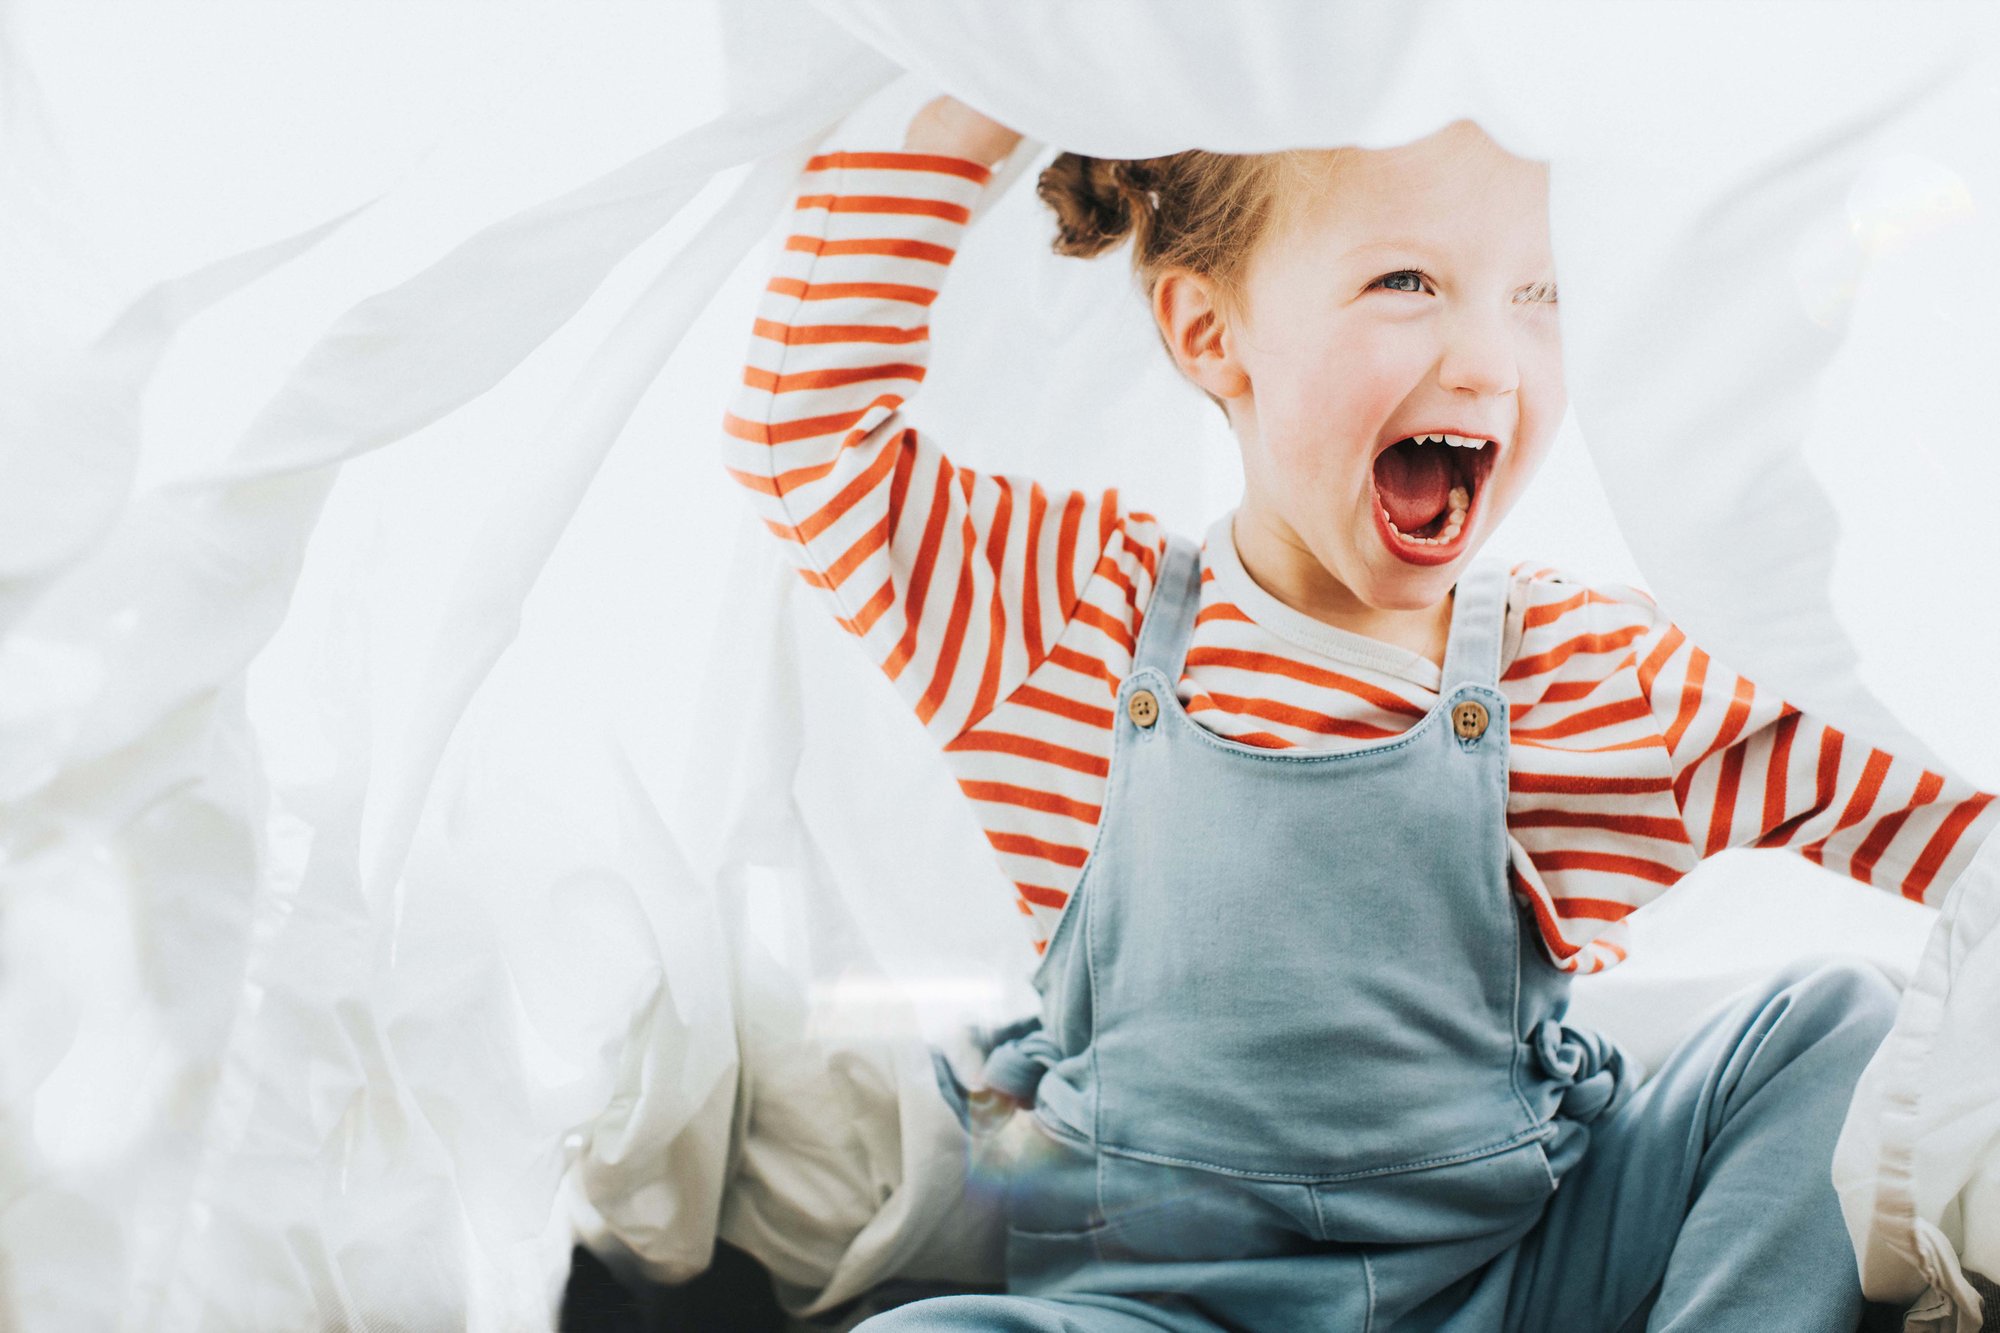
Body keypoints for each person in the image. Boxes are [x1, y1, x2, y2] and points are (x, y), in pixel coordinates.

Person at [717, 92, 1997, 1331]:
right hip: (1151, 1304)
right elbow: (801, 435)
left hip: (1518, 1277)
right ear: (1208, 331)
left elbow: (1922, 813)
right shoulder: (1072, 628)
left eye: (1539, 296)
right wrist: (983, 93)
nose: (1490, 358)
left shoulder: (1581, 671)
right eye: (1406, 284)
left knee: (1835, 1022)